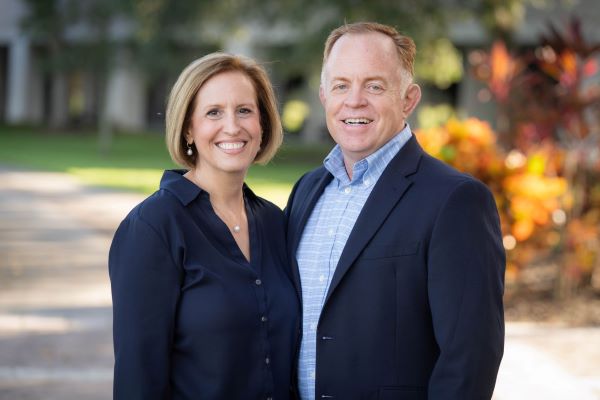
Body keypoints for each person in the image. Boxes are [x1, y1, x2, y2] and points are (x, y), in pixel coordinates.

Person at [285, 22, 505, 399]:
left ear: (408, 99)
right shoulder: (307, 190)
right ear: (323, 95)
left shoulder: (456, 200)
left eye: (374, 86)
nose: (354, 100)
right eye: (341, 85)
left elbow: (470, 358)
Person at [109, 52, 298, 399]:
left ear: (263, 124)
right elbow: (138, 377)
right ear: (188, 129)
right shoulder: (153, 227)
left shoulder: (274, 221)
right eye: (214, 112)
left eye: (245, 110)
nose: (232, 126)